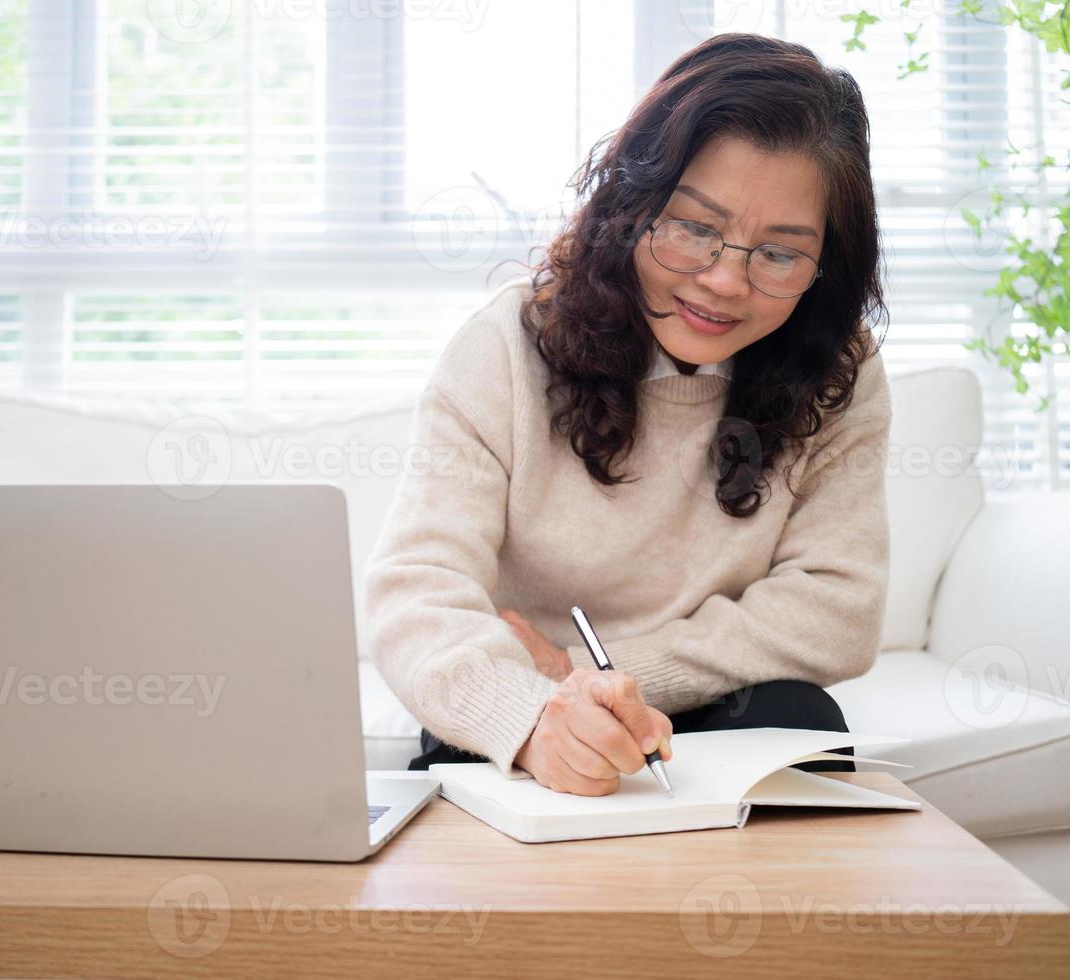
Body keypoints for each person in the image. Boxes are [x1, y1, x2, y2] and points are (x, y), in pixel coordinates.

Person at [363, 33, 890, 796]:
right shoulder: (505, 347)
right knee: (476, 738)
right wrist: (542, 710)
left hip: (711, 702)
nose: (723, 282)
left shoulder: (838, 371)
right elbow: (416, 591)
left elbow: (837, 610)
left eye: (778, 254)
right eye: (694, 227)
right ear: (631, 204)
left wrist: (586, 670)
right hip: (529, 709)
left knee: (796, 713)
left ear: (826, 266)